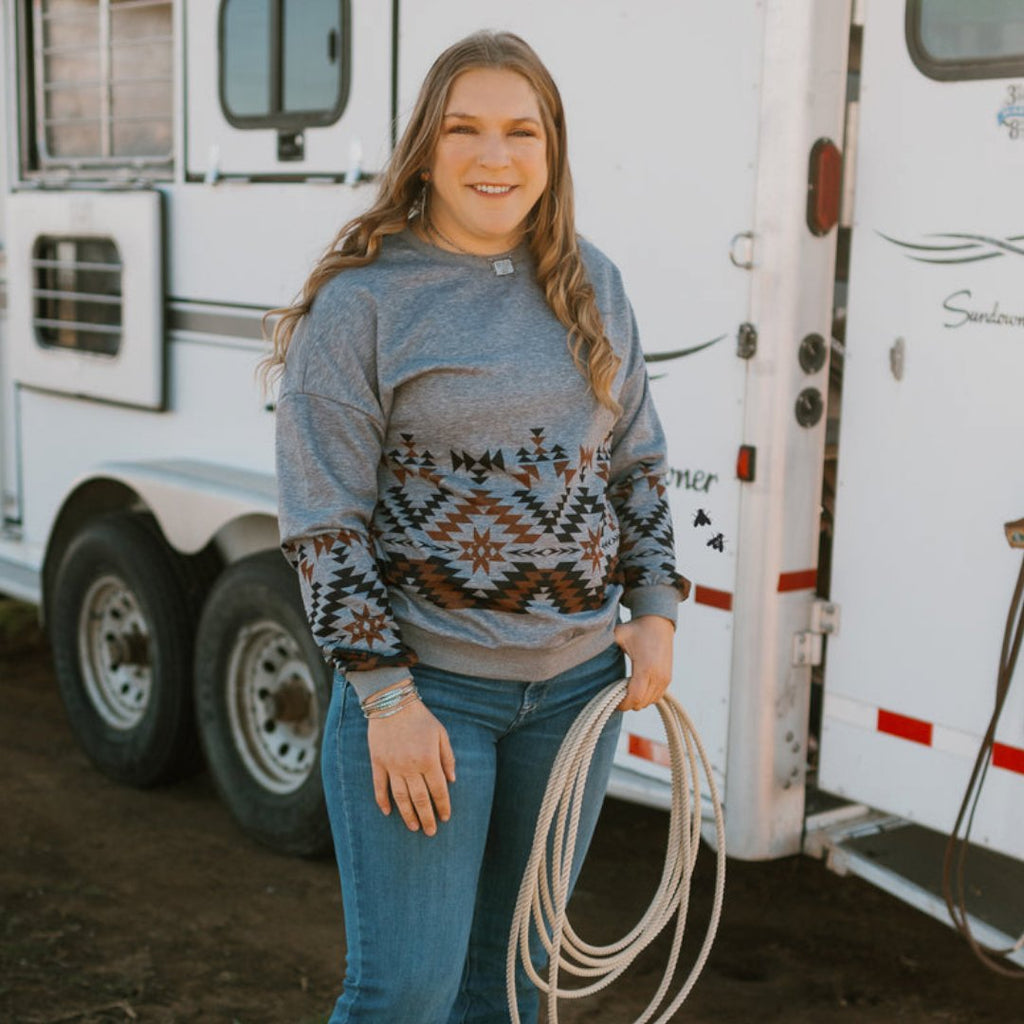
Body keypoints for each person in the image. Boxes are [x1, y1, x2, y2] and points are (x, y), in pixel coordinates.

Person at [267, 30, 690, 1024]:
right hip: (430, 699)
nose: (495, 158)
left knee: (508, 991)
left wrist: (657, 606)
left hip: (576, 694)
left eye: (520, 131)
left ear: (552, 149)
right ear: (425, 147)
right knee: (402, 994)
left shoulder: (594, 280)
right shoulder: (363, 302)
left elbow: (634, 459)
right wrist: (384, 697)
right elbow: (322, 521)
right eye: (465, 130)